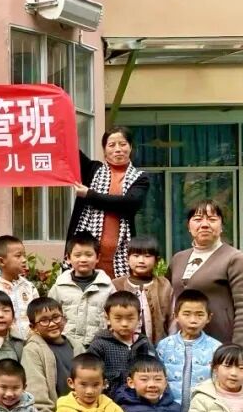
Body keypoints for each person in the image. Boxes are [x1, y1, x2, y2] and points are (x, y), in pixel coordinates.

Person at [168, 199, 243, 345]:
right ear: (189, 226)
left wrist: (236, 348)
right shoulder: (178, 259)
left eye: (212, 219)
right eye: (197, 219)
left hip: (221, 345)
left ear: (221, 226)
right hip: (180, 345)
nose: (204, 225)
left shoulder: (236, 260)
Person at [67, 126, 150, 279]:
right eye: (111, 145)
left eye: (123, 144)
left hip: (121, 258)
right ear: (104, 150)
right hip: (87, 255)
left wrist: (89, 195)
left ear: (131, 147)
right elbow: (68, 150)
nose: (118, 149)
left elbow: (128, 203)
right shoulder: (92, 170)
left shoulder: (140, 178)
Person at [156, 289, 221, 412]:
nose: (193, 320)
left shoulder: (216, 348)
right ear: (176, 316)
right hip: (169, 411)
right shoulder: (164, 346)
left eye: (200, 315)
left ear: (209, 317)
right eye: (186, 314)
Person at [48, 232, 115, 351]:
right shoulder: (59, 287)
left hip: (99, 346)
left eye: (89, 255)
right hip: (66, 345)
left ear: (97, 258)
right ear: (68, 258)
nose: (83, 259)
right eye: (77, 255)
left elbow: (114, 316)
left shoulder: (107, 287)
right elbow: (50, 315)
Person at [22, 297, 84, 412]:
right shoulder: (32, 350)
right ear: (33, 327)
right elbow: (36, 390)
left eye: (56, 317)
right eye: (44, 320)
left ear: (64, 318)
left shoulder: (76, 346)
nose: (52, 324)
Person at [86, 290, 155, 399]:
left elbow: (156, 371)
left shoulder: (144, 343)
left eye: (130, 318)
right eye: (118, 318)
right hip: (109, 401)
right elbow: (88, 375)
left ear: (139, 318)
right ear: (107, 318)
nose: (124, 324)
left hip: (140, 401)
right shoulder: (99, 345)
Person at [112, 236, 173, 347]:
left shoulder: (164, 285)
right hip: (123, 346)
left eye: (147, 256)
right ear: (127, 258)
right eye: (136, 256)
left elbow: (172, 319)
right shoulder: (116, 285)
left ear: (157, 260)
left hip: (159, 346)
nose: (141, 261)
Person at [0, 235, 38, 341]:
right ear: (1, 261)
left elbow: (38, 314)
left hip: (30, 344)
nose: (24, 260)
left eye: (24, 255)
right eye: (18, 256)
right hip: (3, 345)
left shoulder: (28, 287)